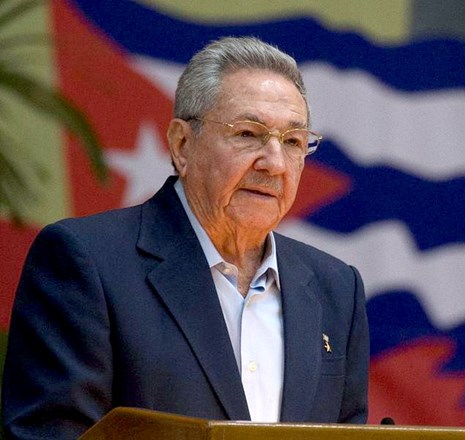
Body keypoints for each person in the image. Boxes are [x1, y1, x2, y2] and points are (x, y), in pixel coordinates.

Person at [2, 36, 369, 439]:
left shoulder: (337, 288)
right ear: (182, 144)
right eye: (248, 134)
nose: (275, 163)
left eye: (293, 141)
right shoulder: (86, 262)